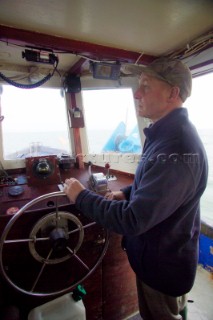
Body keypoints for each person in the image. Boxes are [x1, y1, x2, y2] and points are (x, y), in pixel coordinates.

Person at [63, 58, 208, 320]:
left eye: (146, 86)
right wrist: (127, 193)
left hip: (164, 268)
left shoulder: (176, 146)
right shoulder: (165, 135)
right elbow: (157, 186)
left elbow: (132, 220)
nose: (138, 93)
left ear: (173, 93)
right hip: (157, 257)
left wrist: (80, 196)